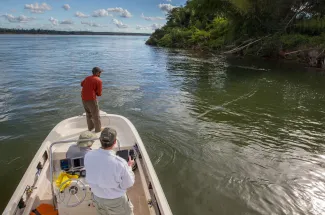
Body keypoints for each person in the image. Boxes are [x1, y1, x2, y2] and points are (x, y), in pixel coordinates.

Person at [85, 128, 135, 215]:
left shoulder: (88, 155)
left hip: (97, 198)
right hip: (116, 201)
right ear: (115, 142)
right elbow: (128, 184)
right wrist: (129, 166)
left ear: (100, 140)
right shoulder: (120, 163)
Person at [81, 67, 103, 133]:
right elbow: (99, 93)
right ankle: (98, 130)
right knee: (96, 115)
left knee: (88, 114)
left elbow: (81, 84)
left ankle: (90, 128)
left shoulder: (87, 78)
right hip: (91, 99)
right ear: (97, 73)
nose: (100, 74)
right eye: (100, 72)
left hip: (83, 98)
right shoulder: (99, 80)